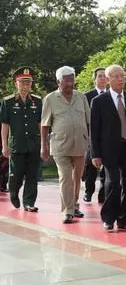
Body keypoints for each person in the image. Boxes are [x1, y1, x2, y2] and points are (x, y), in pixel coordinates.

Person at [90, 65, 126, 231]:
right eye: (117, 76)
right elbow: (94, 130)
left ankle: (125, 218)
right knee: (113, 184)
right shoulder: (99, 101)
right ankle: (109, 218)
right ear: (108, 79)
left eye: (122, 76)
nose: (121, 79)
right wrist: (95, 154)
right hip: (110, 149)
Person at [41, 66, 90, 223]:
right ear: (58, 82)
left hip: (80, 144)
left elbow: (89, 122)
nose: (70, 83)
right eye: (67, 80)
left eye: (72, 80)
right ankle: (67, 211)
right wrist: (44, 145)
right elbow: (44, 125)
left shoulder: (81, 97)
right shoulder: (50, 99)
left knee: (77, 177)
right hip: (60, 145)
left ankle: (74, 205)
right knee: (65, 177)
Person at [1, 67, 42, 211]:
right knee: (16, 174)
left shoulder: (37, 101)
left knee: (32, 175)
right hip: (17, 144)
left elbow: (40, 124)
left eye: (28, 82)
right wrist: (4, 146)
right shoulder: (8, 102)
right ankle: (13, 192)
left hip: (33, 144)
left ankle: (29, 202)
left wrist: (43, 143)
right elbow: (5, 125)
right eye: (22, 82)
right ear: (16, 83)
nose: (25, 85)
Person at [83, 68, 108, 204]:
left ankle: (103, 194)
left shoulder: (112, 94)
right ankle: (88, 191)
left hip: (108, 136)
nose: (103, 78)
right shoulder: (87, 96)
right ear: (94, 79)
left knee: (107, 168)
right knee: (91, 166)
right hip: (91, 136)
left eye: (105, 76)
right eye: (100, 76)